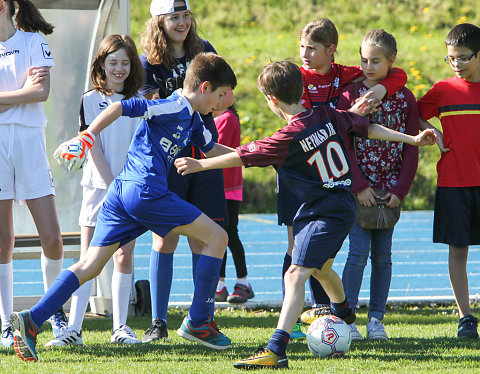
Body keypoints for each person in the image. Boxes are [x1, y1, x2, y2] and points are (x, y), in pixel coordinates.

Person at [173, 60, 436, 369]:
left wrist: (198, 164)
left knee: (295, 274)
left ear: (271, 100)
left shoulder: (285, 138)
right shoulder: (326, 113)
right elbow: (366, 127)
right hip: (331, 207)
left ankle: (276, 349)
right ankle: (346, 316)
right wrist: (412, 139)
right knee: (321, 271)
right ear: (301, 91)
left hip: (327, 211)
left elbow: (241, 157)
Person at [10, 52, 237, 363]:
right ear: (206, 87)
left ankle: (32, 320)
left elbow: (211, 150)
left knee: (89, 266)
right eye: (221, 95)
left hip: (121, 193)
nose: (223, 103)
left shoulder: (194, 119)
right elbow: (120, 106)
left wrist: (255, 155)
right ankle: (198, 323)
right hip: (146, 191)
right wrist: (87, 137)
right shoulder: (172, 104)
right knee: (217, 238)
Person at [289, 18, 409, 331]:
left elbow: (400, 76)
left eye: (311, 48)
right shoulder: (301, 80)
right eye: (302, 46)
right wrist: (358, 184)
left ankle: (351, 315)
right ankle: (323, 312)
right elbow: (329, 130)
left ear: (331, 51)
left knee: (371, 255)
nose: (304, 53)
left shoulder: (353, 79)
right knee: (304, 248)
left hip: (356, 179)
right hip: (318, 175)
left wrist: (383, 86)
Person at [44, 34, 145, 347]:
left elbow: (142, 145)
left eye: (125, 63)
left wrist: (126, 185)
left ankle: (120, 327)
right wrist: (111, 183)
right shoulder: (90, 99)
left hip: (129, 187)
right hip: (99, 188)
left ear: (133, 65)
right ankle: (73, 329)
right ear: (101, 63)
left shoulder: (141, 99)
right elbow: (93, 145)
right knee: (88, 258)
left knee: (123, 256)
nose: (118, 68)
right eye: (112, 62)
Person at [139, 0, 229, 342]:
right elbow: (152, 109)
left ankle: (201, 318)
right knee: (165, 238)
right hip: (169, 161)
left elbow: (223, 96)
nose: (181, 23)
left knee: (205, 237)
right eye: (174, 17)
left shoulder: (204, 51)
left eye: (185, 16)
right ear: (159, 21)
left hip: (204, 156)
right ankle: (158, 322)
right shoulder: (147, 62)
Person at [337, 29, 419, 341]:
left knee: (383, 257)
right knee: (356, 253)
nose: (367, 66)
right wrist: (358, 186)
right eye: (363, 60)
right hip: (359, 191)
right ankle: (348, 320)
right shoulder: (349, 95)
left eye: (375, 61)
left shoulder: (405, 97)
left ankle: (376, 321)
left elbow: (411, 148)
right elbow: (343, 143)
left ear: (391, 62)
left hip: (389, 192)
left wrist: (400, 191)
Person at [0, 0, 67, 348]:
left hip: (29, 142)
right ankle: (6, 323)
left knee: (52, 238)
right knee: (2, 240)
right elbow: (28, 92)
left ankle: (52, 312)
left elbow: (40, 92)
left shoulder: (32, 42)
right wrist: (18, 94)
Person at [417, 23, 480, 339]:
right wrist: (433, 131)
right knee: (458, 250)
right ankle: (466, 317)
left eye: (463, 58)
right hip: (453, 183)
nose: (456, 64)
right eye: (451, 58)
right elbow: (413, 113)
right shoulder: (443, 90)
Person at [213, 91, 254, 304]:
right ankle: (220, 285)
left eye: (222, 94)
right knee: (217, 235)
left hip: (228, 188)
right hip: (217, 187)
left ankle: (243, 282)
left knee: (230, 234)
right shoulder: (214, 118)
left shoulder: (227, 118)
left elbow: (213, 149)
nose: (216, 100)